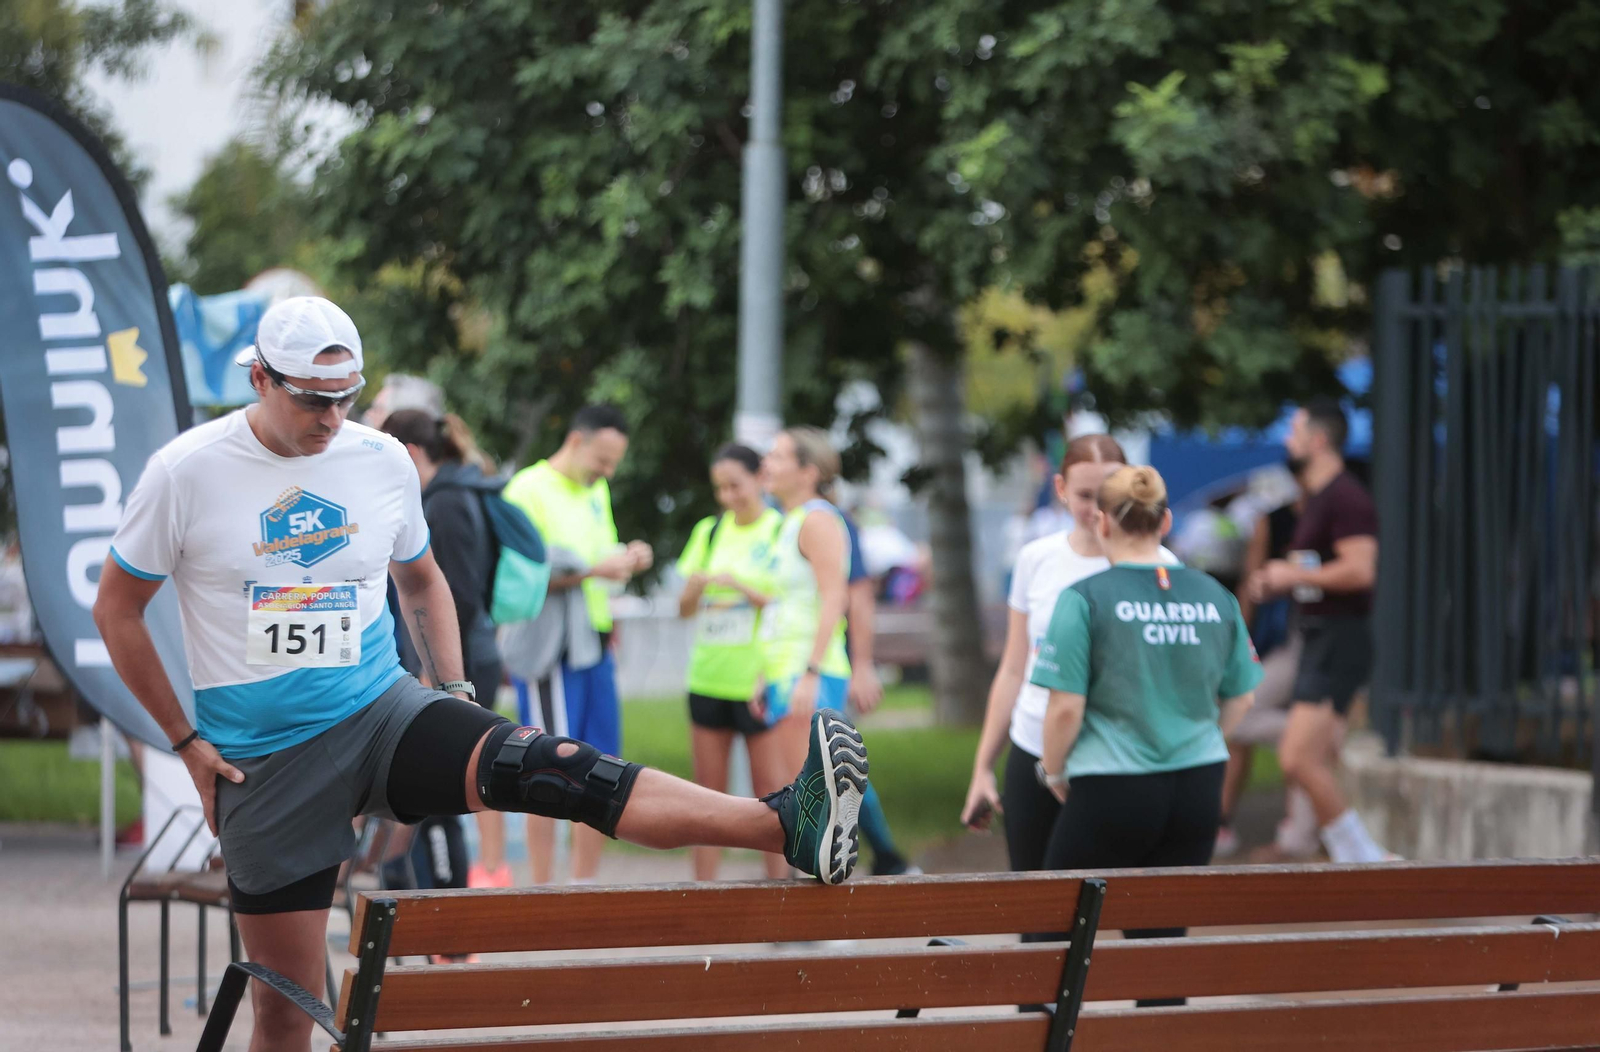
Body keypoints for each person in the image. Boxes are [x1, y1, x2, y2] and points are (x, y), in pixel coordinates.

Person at [91, 297, 869, 1051]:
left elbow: (422, 579)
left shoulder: (379, 457)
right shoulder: (186, 470)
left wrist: (454, 695)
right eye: (312, 402)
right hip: (262, 760)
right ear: (260, 379)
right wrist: (185, 741)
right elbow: (117, 610)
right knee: (289, 1015)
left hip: (382, 711)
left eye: (347, 399)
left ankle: (785, 823)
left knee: (561, 769)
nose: (333, 420)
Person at [1031, 465, 1260, 1006]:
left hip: (1112, 786)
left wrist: (1053, 770)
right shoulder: (1215, 595)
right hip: (1198, 788)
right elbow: (1242, 697)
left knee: (1048, 935)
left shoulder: (1084, 597)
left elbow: (1064, 707)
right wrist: (1204, 736)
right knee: (1161, 951)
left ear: (1102, 521)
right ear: (1167, 521)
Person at [961, 435, 1177, 886]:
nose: (1097, 507)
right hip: (1034, 752)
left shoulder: (1160, 567)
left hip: (1118, 762)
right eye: (1083, 495)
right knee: (1036, 910)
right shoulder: (1037, 559)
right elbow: (1015, 669)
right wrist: (983, 767)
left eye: (1108, 493)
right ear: (1060, 488)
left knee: (1123, 906)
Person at [500, 404, 651, 885]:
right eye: (602, 460)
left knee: (604, 767)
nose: (607, 472)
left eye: (614, 463)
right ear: (576, 441)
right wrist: (592, 571)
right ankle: (543, 889)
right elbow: (517, 576)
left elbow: (597, 557)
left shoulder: (596, 489)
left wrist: (627, 557)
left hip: (594, 644)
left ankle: (584, 887)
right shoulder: (527, 489)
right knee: (547, 768)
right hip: (550, 651)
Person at [1248, 398, 1391, 863]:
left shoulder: (1346, 497)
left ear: (1318, 439)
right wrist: (1280, 579)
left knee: (1296, 758)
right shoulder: (1321, 497)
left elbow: (1361, 570)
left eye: (1294, 431)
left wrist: (1295, 577)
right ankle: (1358, 855)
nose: (1288, 441)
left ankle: (1365, 857)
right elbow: (1320, 568)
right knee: (1306, 757)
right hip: (1317, 636)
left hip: (1337, 638)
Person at [379, 409, 510, 890]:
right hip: (459, 660)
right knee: (448, 787)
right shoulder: (454, 493)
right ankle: (426, 893)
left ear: (408, 454)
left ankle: (450, 912)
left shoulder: (446, 504)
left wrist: (437, 679)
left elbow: (459, 595)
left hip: (460, 663)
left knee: (446, 791)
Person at [758, 427, 896, 870]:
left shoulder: (818, 519)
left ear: (808, 471)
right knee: (801, 788)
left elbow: (836, 597)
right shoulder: (788, 520)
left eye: (779, 456)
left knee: (822, 792)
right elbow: (784, 607)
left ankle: (844, 889)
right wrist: (764, 676)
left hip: (809, 669)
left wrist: (812, 671)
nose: (768, 463)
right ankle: (811, 896)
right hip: (785, 669)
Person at [675, 444, 789, 880]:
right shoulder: (708, 531)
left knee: (770, 796)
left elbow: (787, 603)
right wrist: (696, 588)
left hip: (758, 681)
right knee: (706, 797)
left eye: (735, 485)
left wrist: (740, 586)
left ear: (760, 478)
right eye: (720, 488)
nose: (727, 496)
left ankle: (781, 898)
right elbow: (684, 608)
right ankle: (703, 896)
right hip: (708, 677)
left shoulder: (780, 530)